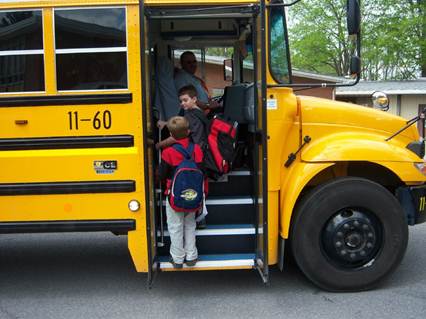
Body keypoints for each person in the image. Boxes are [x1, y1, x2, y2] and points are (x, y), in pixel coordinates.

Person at [156, 85, 209, 229]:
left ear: (194, 99)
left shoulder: (190, 115)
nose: (182, 104)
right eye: (181, 101)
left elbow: (177, 136)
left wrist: (159, 145)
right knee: (199, 186)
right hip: (200, 154)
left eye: (185, 100)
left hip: (191, 155)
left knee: (189, 185)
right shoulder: (200, 113)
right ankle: (199, 216)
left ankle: (198, 216)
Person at [159, 116, 204, 268]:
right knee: (190, 224)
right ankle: (192, 257)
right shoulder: (196, 149)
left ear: (171, 135)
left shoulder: (168, 152)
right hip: (193, 194)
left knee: (175, 226)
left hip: (174, 196)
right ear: (188, 131)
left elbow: (161, 175)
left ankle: (178, 259)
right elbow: (201, 170)